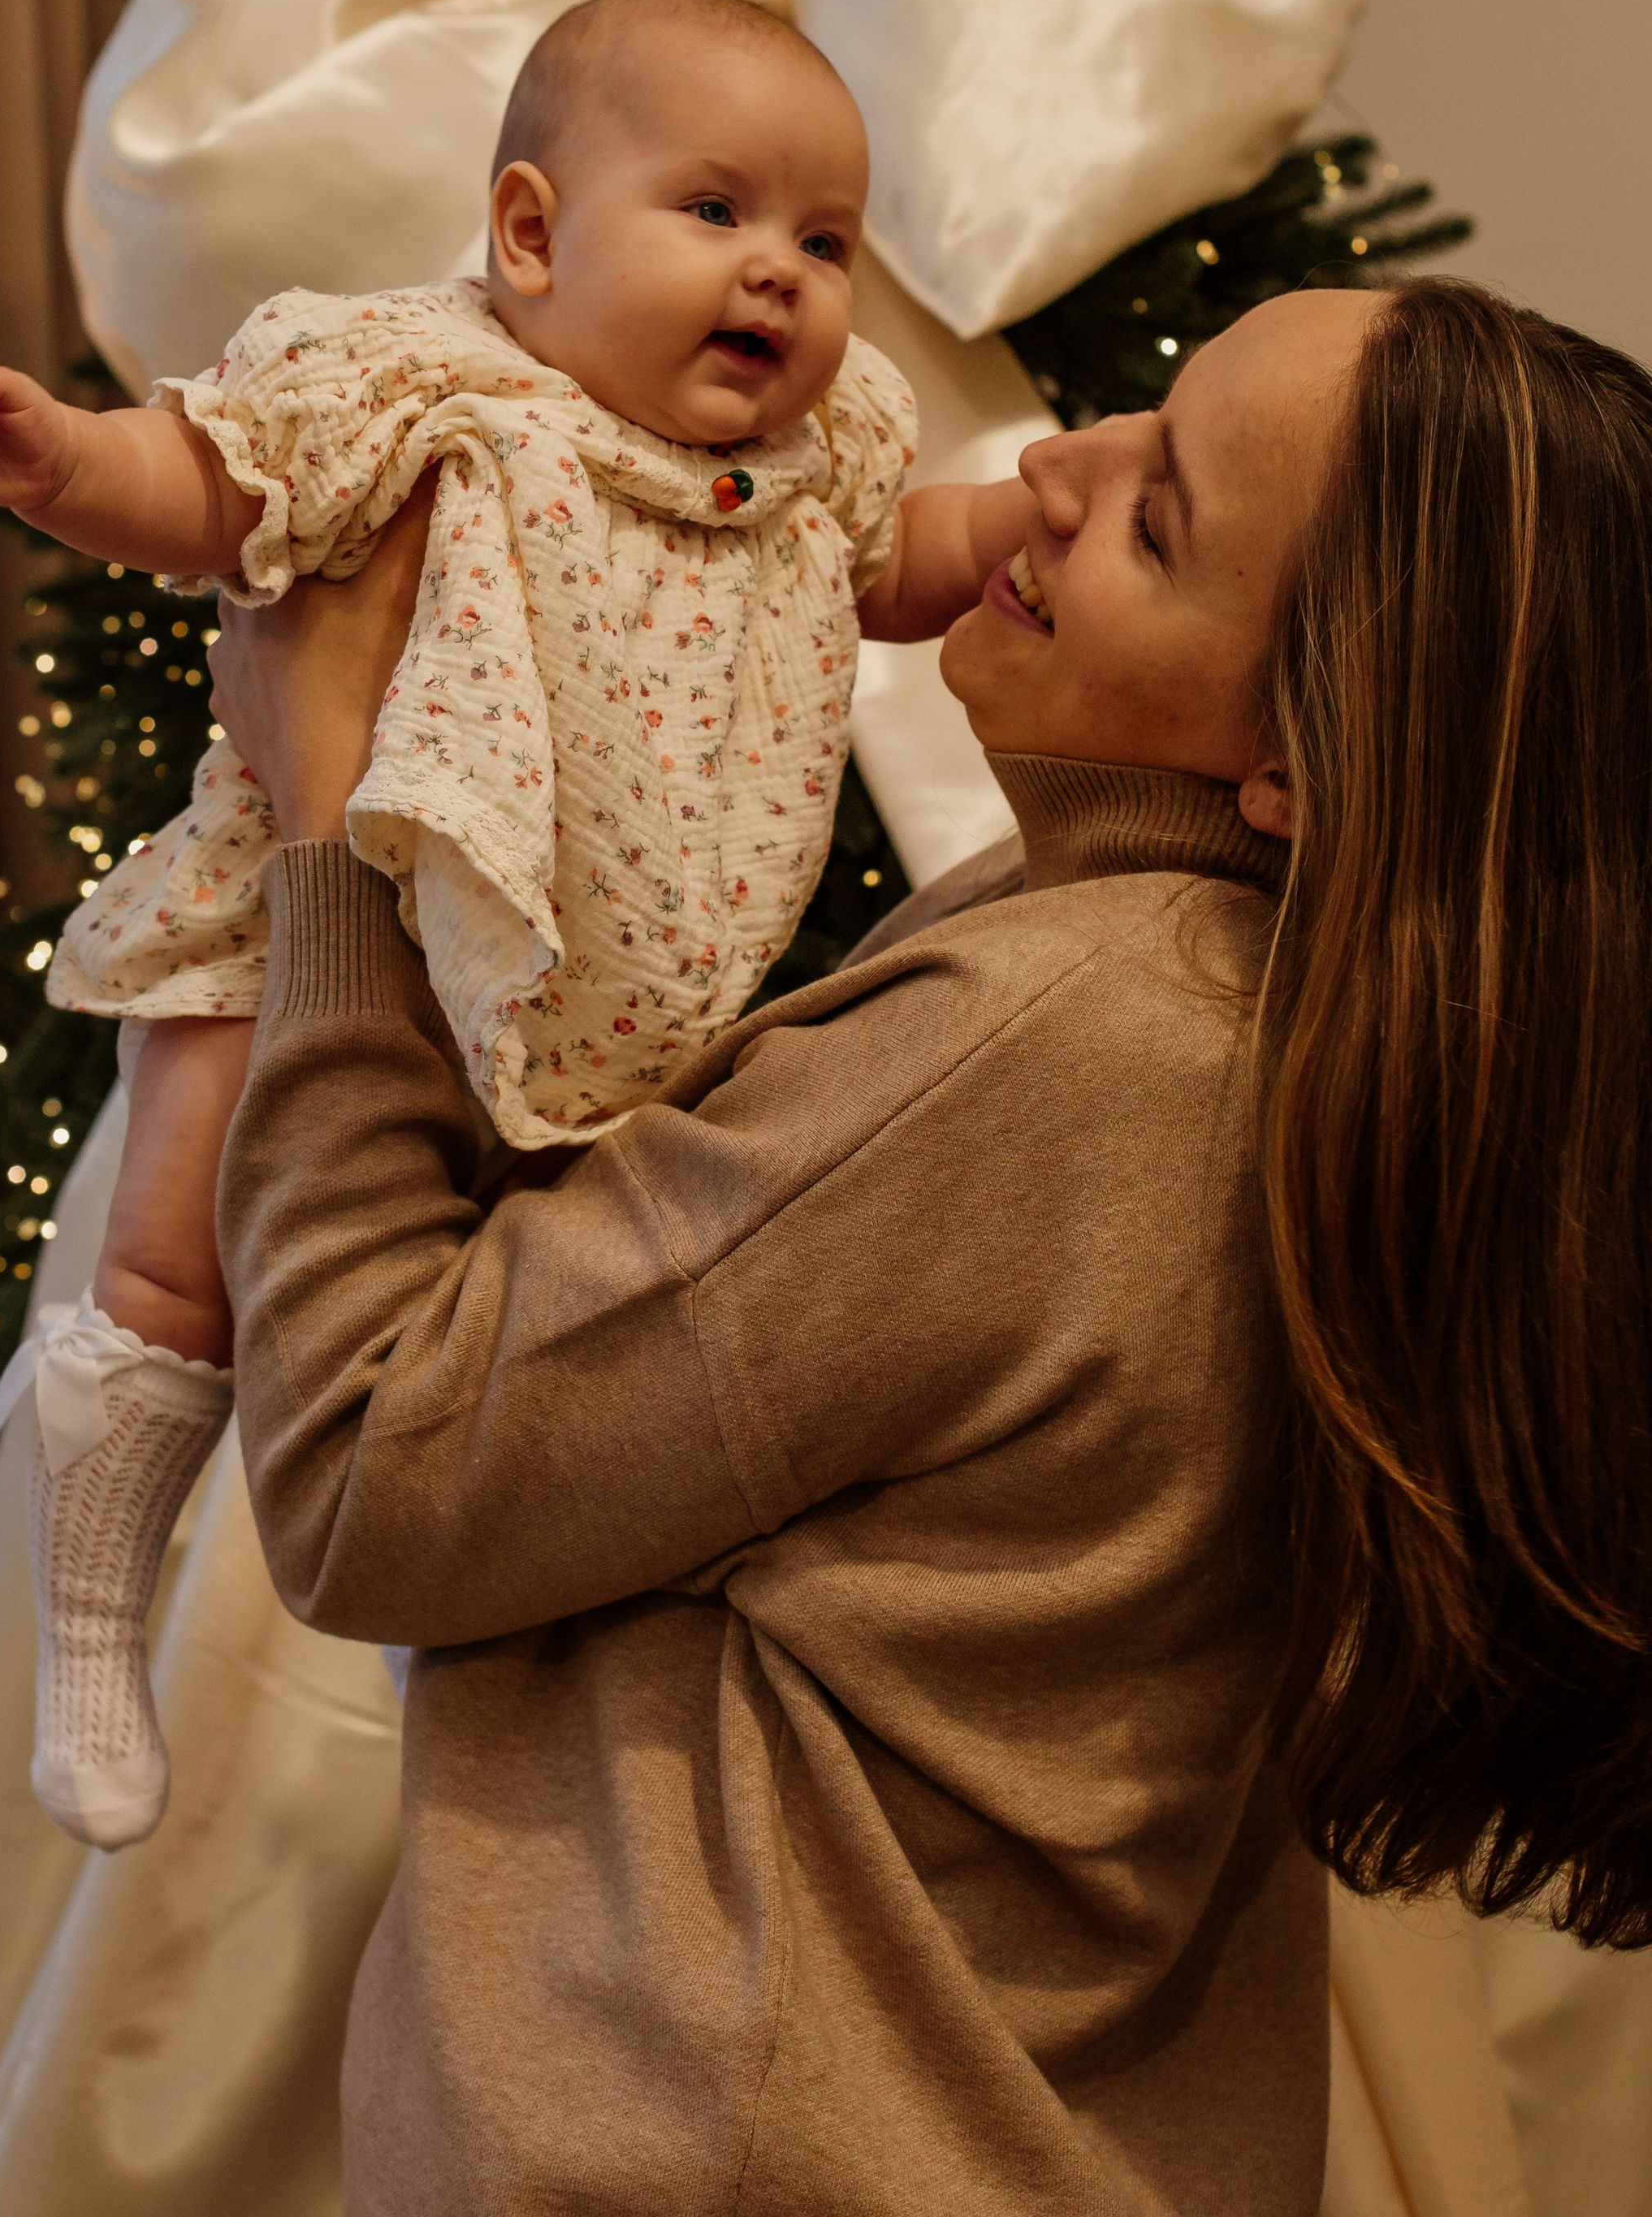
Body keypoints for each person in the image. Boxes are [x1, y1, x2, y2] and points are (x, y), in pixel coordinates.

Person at [200, 275, 1652, 2214]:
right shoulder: (1293, 1026)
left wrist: (333, 834)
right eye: (1141, 417)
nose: (1053, 467)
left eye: (1157, 521)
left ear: (1303, 766)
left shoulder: (1079, 1035)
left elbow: (368, 1467)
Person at [0, 0, 1034, 1845]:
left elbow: (896, 560)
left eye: (823, 240)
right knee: (175, 1262)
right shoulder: (416, 385)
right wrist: (62, 466)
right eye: (714, 210)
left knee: (490, 1355)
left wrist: (1010, 533)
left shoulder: (806, 462)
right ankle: (90, 1620)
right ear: (527, 232)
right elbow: (214, 492)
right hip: (311, 915)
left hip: (592, 990)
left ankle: (471, 1655)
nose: (775, 269)